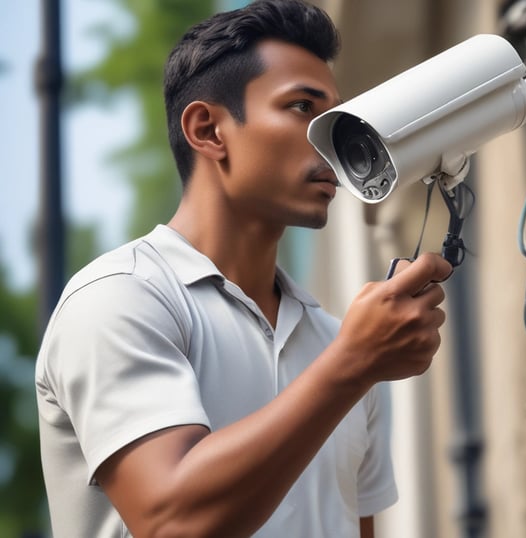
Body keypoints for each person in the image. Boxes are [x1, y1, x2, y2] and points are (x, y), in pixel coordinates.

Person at [34, 1, 452, 536]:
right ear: (208, 129)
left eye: (338, 114)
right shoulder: (118, 298)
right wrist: (352, 364)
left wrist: (351, 360)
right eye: (303, 107)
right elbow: (172, 521)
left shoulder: (336, 341)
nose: (337, 137)